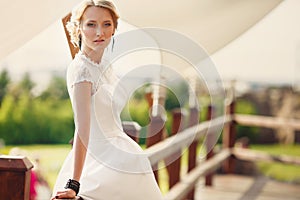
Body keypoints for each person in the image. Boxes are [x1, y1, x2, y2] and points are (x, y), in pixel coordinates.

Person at [51, 0, 163, 199]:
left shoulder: (105, 64)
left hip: (124, 155)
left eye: (106, 24)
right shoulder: (81, 70)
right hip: (100, 163)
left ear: (114, 29)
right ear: (79, 28)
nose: (99, 32)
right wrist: (74, 183)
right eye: (91, 24)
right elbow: (82, 129)